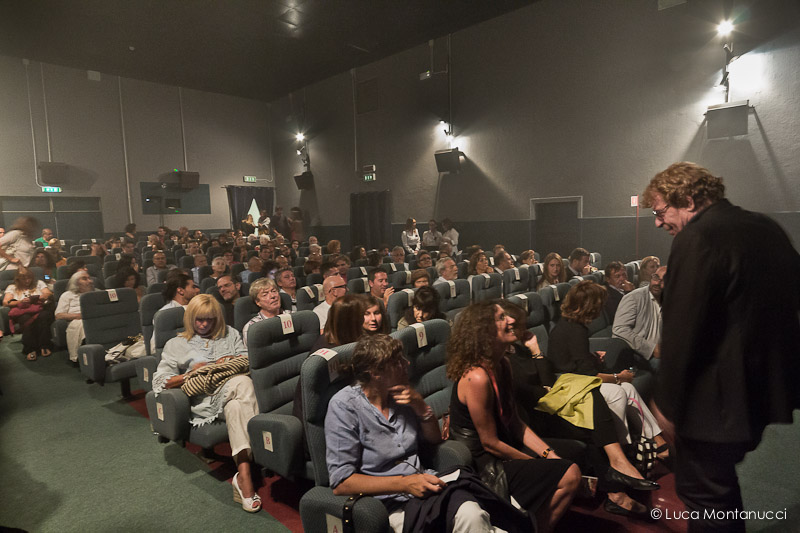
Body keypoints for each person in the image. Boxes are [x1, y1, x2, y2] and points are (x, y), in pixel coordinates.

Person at [642, 161, 800, 531]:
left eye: (660, 212)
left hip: (713, 405)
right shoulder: (766, 227)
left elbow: (682, 331)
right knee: (721, 491)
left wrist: (665, 405)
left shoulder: (696, 237)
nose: (658, 223)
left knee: (707, 501)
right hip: (759, 393)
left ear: (688, 199)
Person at [326, 333, 527, 533]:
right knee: (472, 518)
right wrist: (404, 484)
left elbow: (434, 439)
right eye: (398, 362)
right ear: (376, 373)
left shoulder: (401, 394)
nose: (407, 364)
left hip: (426, 488)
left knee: (476, 512)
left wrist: (421, 407)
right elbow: (341, 482)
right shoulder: (344, 406)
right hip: (390, 504)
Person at [500, 300, 655, 518]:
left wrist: (535, 351)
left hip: (546, 405)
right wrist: (547, 390)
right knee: (592, 405)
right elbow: (524, 392)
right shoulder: (500, 359)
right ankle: (618, 473)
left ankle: (616, 488)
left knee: (591, 397)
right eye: (518, 325)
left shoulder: (518, 349)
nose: (524, 329)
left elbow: (547, 380)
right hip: (532, 417)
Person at [446, 301, 581, 532]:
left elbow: (516, 423)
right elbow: (489, 443)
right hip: (483, 464)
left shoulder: (503, 364)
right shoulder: (477, 377)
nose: (511, 320)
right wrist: (534, 462)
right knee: (570, 474)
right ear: (484, 331)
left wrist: (549, 455)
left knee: (570, 453)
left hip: (503, 447)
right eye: (501, 318)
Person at [152, 295, 261, 513]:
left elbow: (246, 360)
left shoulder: (230, 333)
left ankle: (244, 474)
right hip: (204, 401)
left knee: (236, 406)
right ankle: (260, 455)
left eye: (209, 319)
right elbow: (160, 381)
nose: (204, 325)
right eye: (199, 320)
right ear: (190, 318)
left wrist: (225, 362)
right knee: (243, 383)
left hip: (234, 395)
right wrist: (191, 373)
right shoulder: (176, 344)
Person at [547, 281, 669, 455]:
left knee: (629, 388)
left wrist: (592, 357)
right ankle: (622, 447)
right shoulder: (575, 330)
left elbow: (577, 360)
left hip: (577, 379)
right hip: (570, 385)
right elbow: (589, 375)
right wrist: (619, 377)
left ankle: (655, 437)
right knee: (619, 390)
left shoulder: (572, 324)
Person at [612, 266, 667, 371]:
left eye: (664, 280)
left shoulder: (671, 299)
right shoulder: (633, 298)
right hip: (638, 353)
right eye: (656, 277)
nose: (657, 283)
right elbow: (619, 329)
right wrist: (651, 349)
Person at [3, 267, 55, 361]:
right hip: (23, 312)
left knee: (44, 316)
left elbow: (48, 294)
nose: (27, 281)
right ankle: (30, 349)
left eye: (29, 278)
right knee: (25, 318)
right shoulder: (12, 287)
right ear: (18, 279)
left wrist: (35, 298)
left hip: (39, 310)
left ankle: (44, 345)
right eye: (24, 279)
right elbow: (6, 302)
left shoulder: (39, 283)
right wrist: (20, 302)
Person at [55, 270, 96, 363]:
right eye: (84, 279)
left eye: (89, 278)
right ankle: (87, 357)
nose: (90, 281)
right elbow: (58, 315)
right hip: (76, 321)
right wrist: (78, 316)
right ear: (76, 282)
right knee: (84, 325)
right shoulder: (67, 295)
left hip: (95, 318)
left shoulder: (96, 293)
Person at [242, 278, 283, 345]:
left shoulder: (292, 316)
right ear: (257, 302)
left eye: (274, 291)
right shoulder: (252, 328)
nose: (273, 296)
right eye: (265, 295)